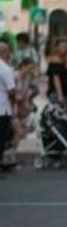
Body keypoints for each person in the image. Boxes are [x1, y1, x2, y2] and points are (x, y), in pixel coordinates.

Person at [0, 42, 16, 172]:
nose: (10, 54)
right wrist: (14, 103)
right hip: (3, 109)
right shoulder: (5, 69)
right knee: (2, 138)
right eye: (8, 51)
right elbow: (11, 91)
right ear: (4, 53)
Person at [46, 39, 67, 107]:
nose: (65, 48)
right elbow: (56, 78)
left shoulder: (62, 60)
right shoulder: (55, 61)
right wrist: (60, 95)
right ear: (56, 48)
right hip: (56, 93)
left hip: (64, 92)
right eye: (63, 46)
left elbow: (65, 75)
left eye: (66, 46)